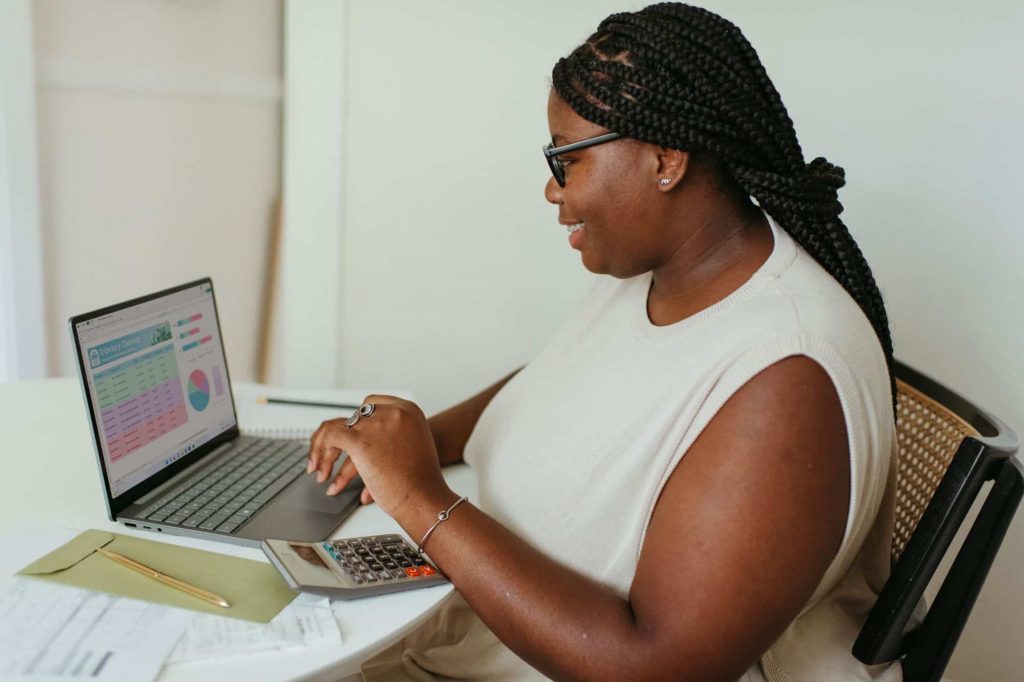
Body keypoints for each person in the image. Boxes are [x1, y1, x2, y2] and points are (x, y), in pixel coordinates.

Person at [306, 3, 899, 680]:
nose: (552, 190)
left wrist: (417, 495)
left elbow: (656, 666)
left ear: (666, 159)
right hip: (464, 633)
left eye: (567, 159)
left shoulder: (788, 378)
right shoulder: (661, 274)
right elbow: (561, 384)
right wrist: (412, 445)